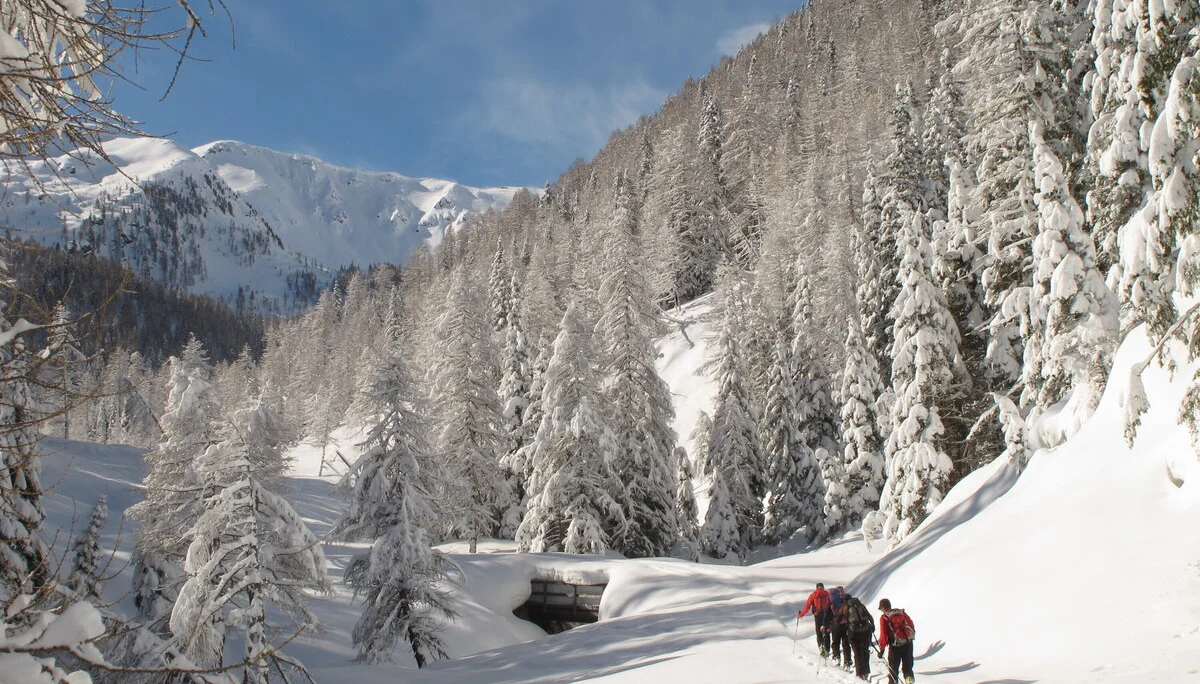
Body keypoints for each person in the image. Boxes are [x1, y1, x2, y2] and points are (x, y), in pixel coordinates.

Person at [877, 598, 916, 684]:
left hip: (895, 647)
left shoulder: (884, 618)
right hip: (908, 643)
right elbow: (911, 624)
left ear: (883, 608)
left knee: (893, 669)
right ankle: (909, 681)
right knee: (908, 668)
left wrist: (881, 650)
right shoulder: (901, 612)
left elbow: (883, 635)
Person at [844, 591, 875, 681]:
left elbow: (844, 621)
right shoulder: (860, 605)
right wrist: (872, 627)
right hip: (866, 631)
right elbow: (869, 616)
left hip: (855, 633)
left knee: (857, 653)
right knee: (865, 651)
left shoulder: (846, 607)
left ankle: (860, 674)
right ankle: (866, 673)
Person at [797, 582, 832, 657]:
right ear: (823, 587)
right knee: (826, 631)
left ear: (816, 588)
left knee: (818, 632)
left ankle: (821, 646)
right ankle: (827, 649)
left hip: (818, 615)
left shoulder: (813, 595)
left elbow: (807, 606)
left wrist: (801, 614)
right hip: (827, 614)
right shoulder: (827, 594)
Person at [828, 585, 851, 668]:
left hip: (836, 624)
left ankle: (837, 657)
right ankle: (847, 661)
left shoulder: (832, 601)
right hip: (845, 624)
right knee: (845, 643)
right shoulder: (844, 599)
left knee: (835, 642)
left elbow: (828, 614)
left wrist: (827, 625)